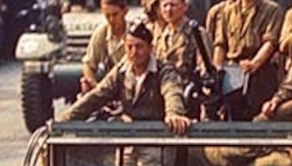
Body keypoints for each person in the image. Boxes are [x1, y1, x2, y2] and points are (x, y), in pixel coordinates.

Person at [64, 15, 194, 130]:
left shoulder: (164, 71)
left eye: (139, 47)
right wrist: (65, 119)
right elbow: (97, 95)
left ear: (150, 48)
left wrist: (174, 113)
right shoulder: (121, 71)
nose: (134, 52)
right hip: (129, 136)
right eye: (129, 47)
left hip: (158, 137)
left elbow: (172, 91)